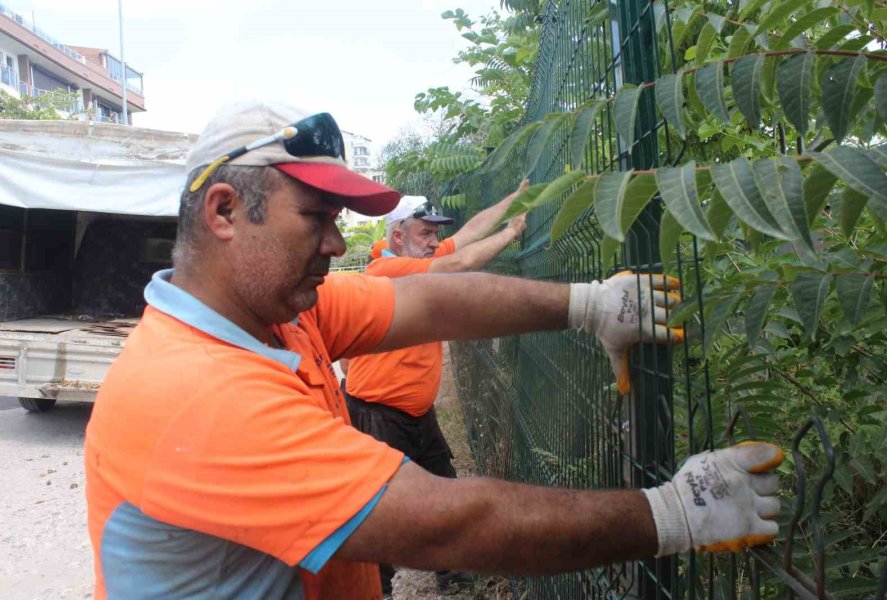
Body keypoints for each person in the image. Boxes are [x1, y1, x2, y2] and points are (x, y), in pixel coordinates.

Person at [84, 100, 785, 600]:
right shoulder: (194, 393)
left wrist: (592, 304)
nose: (335, 244)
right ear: (226, 212)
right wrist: (677, 512)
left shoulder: (276, 313)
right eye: (317, 220)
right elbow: (454, 523)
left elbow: (429, 299)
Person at [345, 191, 528, 595]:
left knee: (443, 487)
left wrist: (512, 200)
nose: (434, 241)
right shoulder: (386, 272)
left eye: (433, 235)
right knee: (379, 507)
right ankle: (378, 588)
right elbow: (462, 261)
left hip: (415, 412)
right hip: (378, 414)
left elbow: (466, 235)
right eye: (426, 233)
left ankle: (453, 573)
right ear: (398, 237)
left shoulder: (419, 257)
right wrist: (512, 232)